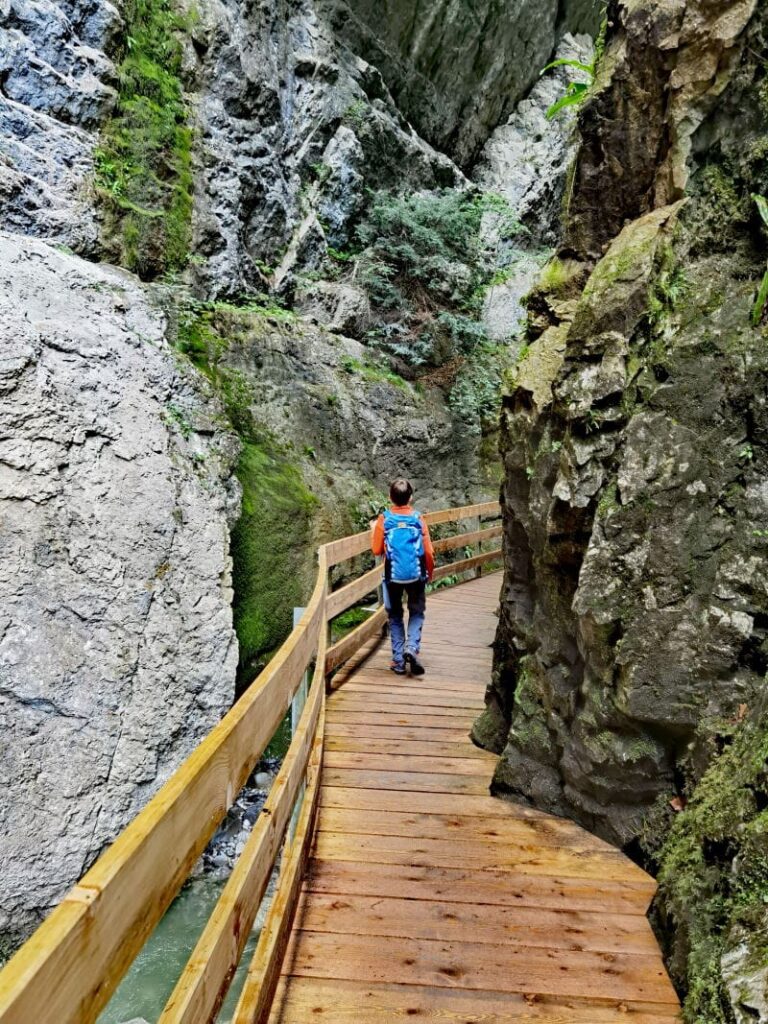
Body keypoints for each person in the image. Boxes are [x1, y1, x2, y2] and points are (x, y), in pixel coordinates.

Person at [371, 478, 434, 675]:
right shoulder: (418, 518)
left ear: (390, 497)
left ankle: (398, 660)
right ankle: (411, 647)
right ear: (411, 498)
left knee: (395, 615)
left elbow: (376, 549)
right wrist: (429, 573)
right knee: (416, 612)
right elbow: (429, 552)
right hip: (416, 576)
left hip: (392, 577)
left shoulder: (385, 519)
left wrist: (375, 530)